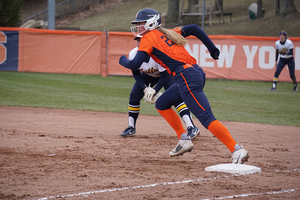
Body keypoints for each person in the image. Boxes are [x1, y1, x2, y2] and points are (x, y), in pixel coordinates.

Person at [119, 8, 249, 164]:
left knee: (206, 118)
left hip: (186, 76)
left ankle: (236, 149)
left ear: (150, 23)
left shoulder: (149, 38)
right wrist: (212, 48)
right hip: (192, 74)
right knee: (161, 103)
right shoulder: (168, 33)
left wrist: (122, 60)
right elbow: (194, 28)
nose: (138, 27)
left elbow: (134, 63)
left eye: (140, 23)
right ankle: (184, 139)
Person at [121, 35, 200, 141]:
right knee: (134, 96)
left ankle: (192, 127)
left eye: (142, 40)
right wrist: (145, 88)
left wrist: (155, 90)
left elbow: (165, 77)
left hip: (167, 75)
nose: (139, 43)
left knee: (176, 99)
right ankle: (131, 127)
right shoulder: (133, 54)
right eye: (138, 40)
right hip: (148, 76)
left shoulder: (157, 54)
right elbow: (136, 74)